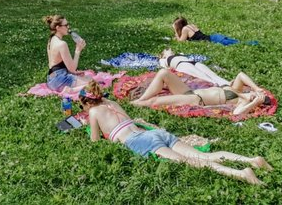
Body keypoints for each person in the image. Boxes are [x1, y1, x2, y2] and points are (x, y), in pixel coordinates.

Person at [79, 80, 271, 185]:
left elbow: (95, 141)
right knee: (204, 155)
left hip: (142, 141)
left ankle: (241, 174)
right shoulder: (112, 103)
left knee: (193, 163)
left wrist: (86, 122)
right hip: (157, 134)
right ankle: (250, 160)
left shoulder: (94, 112)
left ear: (88, 103)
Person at [130, 68, 266, 116]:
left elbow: (237, 113)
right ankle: (140, 99)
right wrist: (256, 88)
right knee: (163, 73)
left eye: (260, 98)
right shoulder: (238, 89)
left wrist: (254, 103)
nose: (256, 96)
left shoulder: (242, 101)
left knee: (154, 102)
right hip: (190, 92)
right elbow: (241, 75)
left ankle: (131, 105)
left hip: (195, 100)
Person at [44, 15, 90, 91]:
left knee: (88, 78)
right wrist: (78, 50)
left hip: (51, 79)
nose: (68, 27)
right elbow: (72, 68)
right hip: (60, 80)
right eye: (65, 25)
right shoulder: (62, 44)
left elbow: (54, 65)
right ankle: (71, 90)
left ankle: (73, 88)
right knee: (92, 83)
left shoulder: (51, 40)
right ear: (58, 28)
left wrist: (74, 73)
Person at [158, 48, 230, 87]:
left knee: (214, 76)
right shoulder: (163, 60)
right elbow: (164, 68)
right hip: (182, 64)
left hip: (194, 63)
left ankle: (229, 84)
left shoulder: (180, 54)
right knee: (203, 77)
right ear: (163, 55)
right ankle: (222, 88)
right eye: (166, 50)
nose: (170, 49)